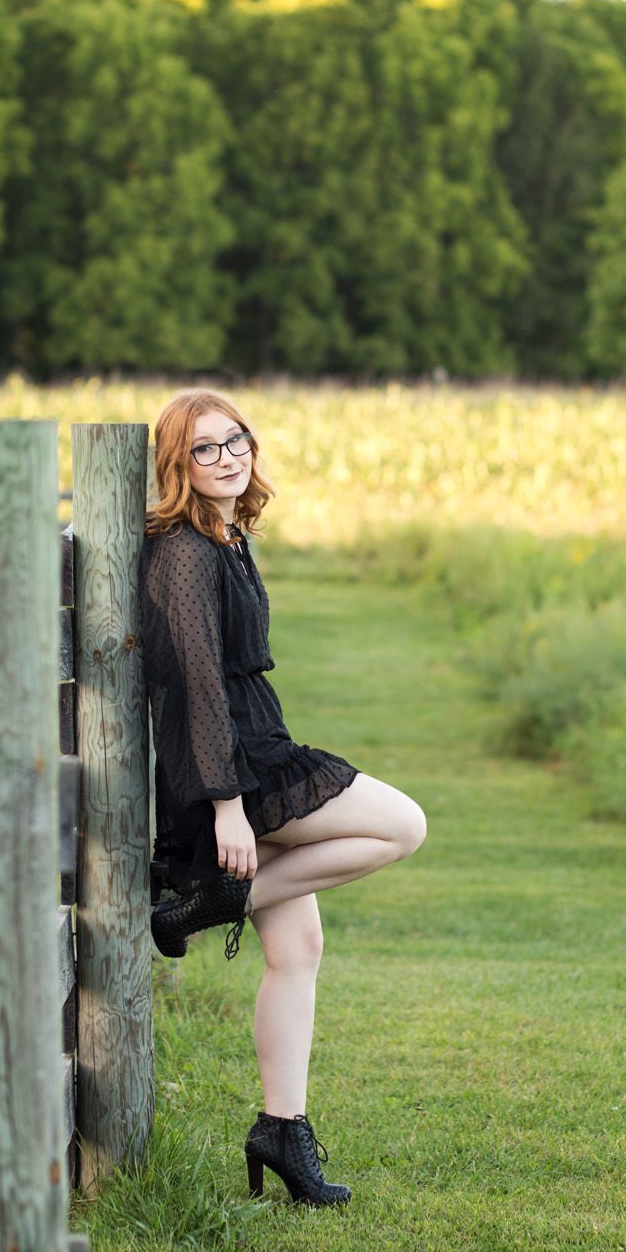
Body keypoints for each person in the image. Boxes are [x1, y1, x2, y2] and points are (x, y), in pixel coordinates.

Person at [139, 390, 425, 1207]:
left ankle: (282, 1130)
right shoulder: (186, 552)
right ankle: (204, 903)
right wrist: (227, 805)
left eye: (237, 439)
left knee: (297, 951)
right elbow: (193, 683)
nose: (228, 456)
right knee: (403, 824)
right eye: (205, 449)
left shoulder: (226, 536)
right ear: (176, 466)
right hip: (234, 767)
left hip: (252, 748)